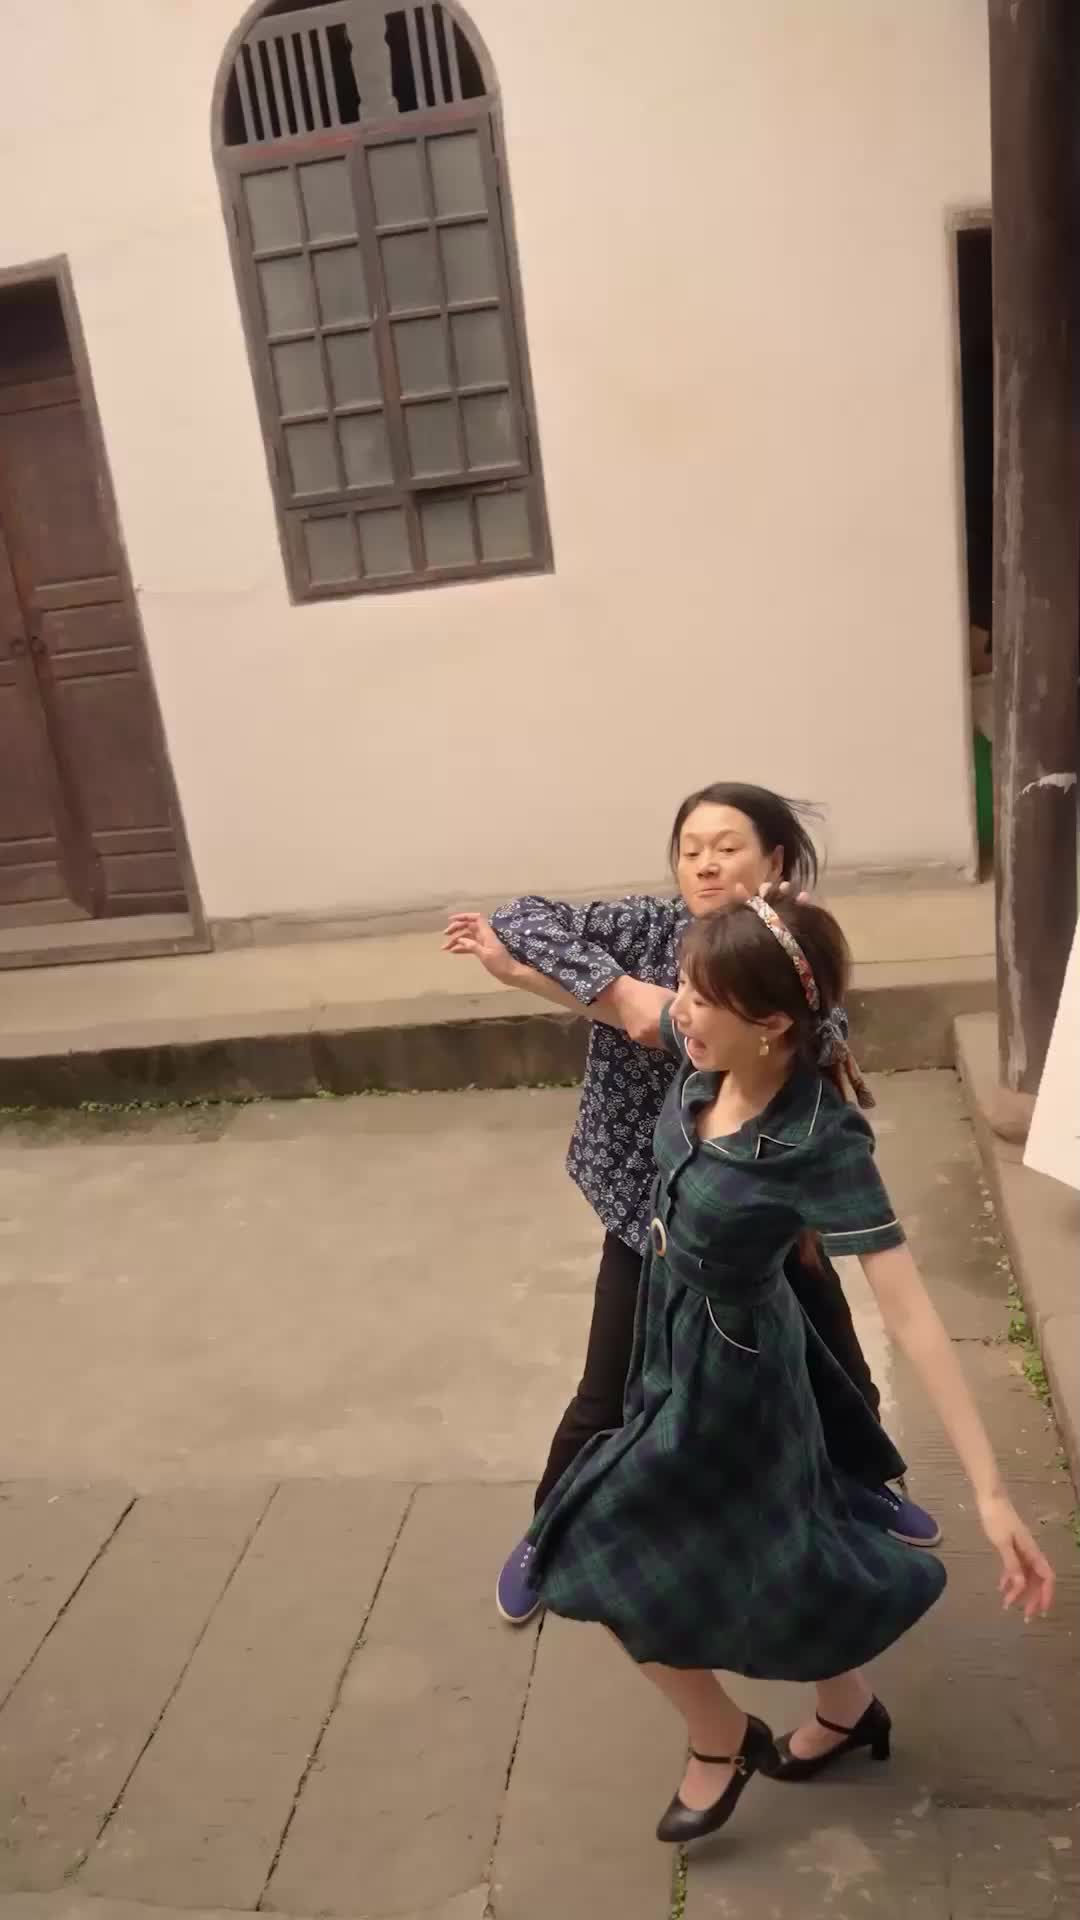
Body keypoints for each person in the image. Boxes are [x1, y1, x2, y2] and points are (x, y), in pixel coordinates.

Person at [524, 895, 1055, 1845]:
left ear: (771, 1023)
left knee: (586, 1547)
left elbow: (911, 1313)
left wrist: (990, 1492)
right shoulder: (702, 1059)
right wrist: (509, 956)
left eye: (701, 996)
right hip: (667, 1340)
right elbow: (617, 1003)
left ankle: (721, 1737)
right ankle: (848, 1710)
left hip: (739, 1383)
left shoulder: (820, 1137)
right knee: (774, 1545)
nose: (680, 1007)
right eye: (683, 985)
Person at [444, 784, 940, 1628]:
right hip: (652, 1204)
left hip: (763, 1208)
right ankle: (547, 1533)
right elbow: (524, 918)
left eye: (727, 847)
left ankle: (859, 1483)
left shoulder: (789, 951)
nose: (705, 864)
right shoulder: (648, 928)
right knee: (608, 1390)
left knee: (832, 1358)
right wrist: (611, 988)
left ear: (774, 860)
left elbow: (824, 1044)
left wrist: (619, 1007)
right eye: (690, 849)